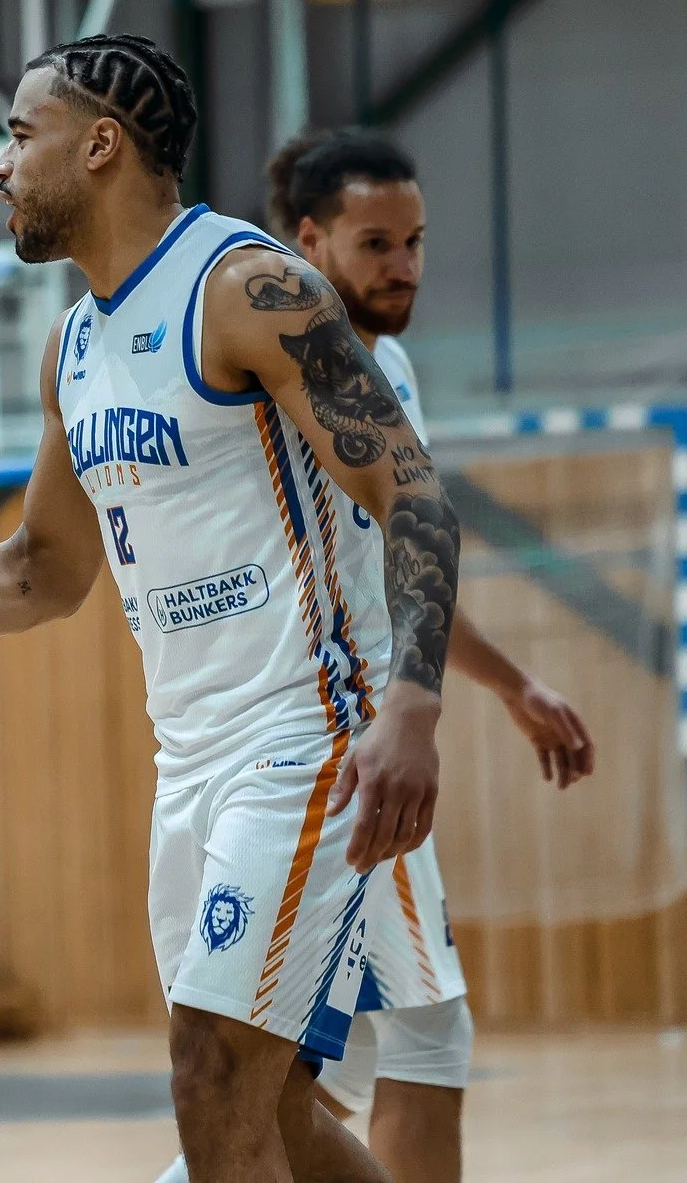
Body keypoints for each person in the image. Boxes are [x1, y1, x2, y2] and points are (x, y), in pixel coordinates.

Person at [0, 34, 462, 1182]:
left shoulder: (245, 288)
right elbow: (40, 571)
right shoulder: (74, 345)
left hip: (302, 740)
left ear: (98, 146)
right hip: (186, 762)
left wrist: (413, 708)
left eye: (16, 134)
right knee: (277, 1110)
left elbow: (415, 499)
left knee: (208, 1074)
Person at [168, 128, 588, 1183]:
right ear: (308, 241)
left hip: (352, 729)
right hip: (313, 736)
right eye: (375, 243)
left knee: (323, 1073)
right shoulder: (274, 363)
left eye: (415, 241)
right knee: (301, 1075)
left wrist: (513, 684)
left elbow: (399, 585)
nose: (403, 265)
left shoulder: (383, 366)